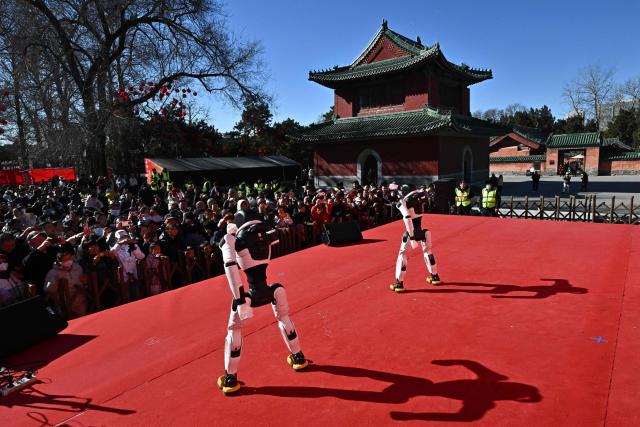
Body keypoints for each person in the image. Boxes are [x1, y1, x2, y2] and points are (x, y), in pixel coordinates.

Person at [217, 220, 308, 395]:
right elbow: (272, 239)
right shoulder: (264, 233)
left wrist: (240, 299)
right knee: (284, 317)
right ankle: (298, 356)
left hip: (248, 295)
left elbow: (230, 265)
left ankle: (230, 378)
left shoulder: (233, 240)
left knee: (234, 330)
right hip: (270, 289)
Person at [389, 185, 442, 293]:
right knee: (428, 251)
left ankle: (399, 283)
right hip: (422, 231)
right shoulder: (421, 196)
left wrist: (412, 237)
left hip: (411, 233)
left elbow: (407, 218)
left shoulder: (404, 202)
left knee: (402, 255)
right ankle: (435, 276)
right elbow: (421, 191)